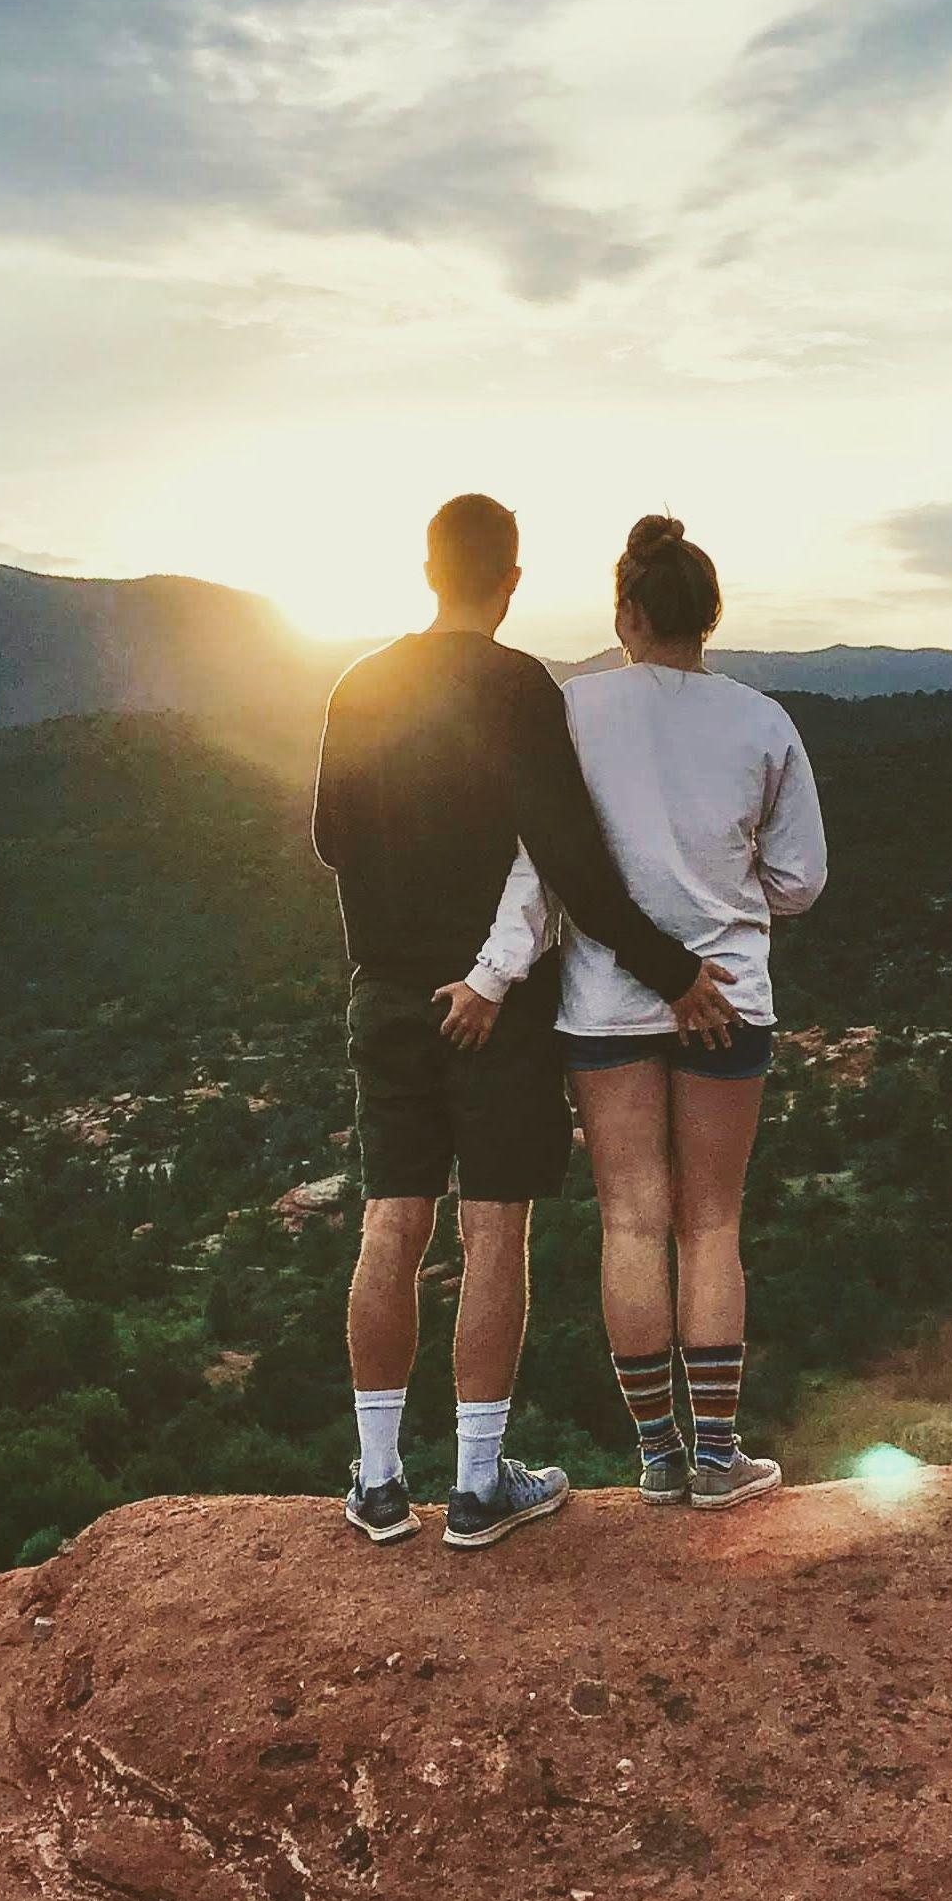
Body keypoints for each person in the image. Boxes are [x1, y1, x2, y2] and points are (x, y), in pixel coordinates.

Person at [310, 494, 740, 1552]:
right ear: (510, 580)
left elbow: (330, 839)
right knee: (494, 1224)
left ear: (425, 567)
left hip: (387, 988)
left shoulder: (357, 685)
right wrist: (671, 969)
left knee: (391, 1219)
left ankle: (373, 1482)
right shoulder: (518, 687)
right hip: (495, 1003)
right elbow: (566, 856)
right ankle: (473, 1486)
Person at [448, 514, 828, 1507]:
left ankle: (656, 1457)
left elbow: (544, 863)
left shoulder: (572, 710)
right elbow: (800, 881)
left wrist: (495, 969)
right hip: (729, 998)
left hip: (603, 1006)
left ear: (625, 613)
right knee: (710, 1222)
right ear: (706, 617)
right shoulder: (761, 720)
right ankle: (715, 1454)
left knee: (629, 1219)